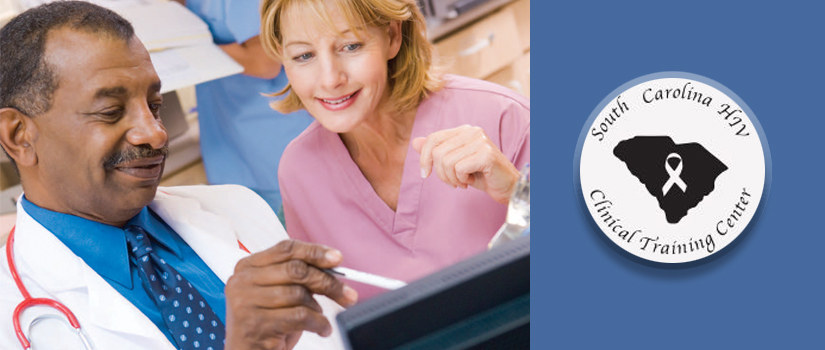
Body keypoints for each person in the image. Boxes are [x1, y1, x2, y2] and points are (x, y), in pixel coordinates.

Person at [0, 2, 356, 349]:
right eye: (110, 111)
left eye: (155, 106)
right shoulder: (11, 318)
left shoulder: (239, 207)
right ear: (19, 135)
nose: (155, 133)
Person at [260, 0, 530, 299]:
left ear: (392, 37)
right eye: (304, 55)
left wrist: (518, 192)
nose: (330, 79)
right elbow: (328, 314)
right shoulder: (300, 171)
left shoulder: (502, 116)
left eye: (350, 46)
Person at [176, 0, 313, 221]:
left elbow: (264, 62)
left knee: (299, 229)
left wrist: (185, 48)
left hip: (269, 132)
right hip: (226, 133)